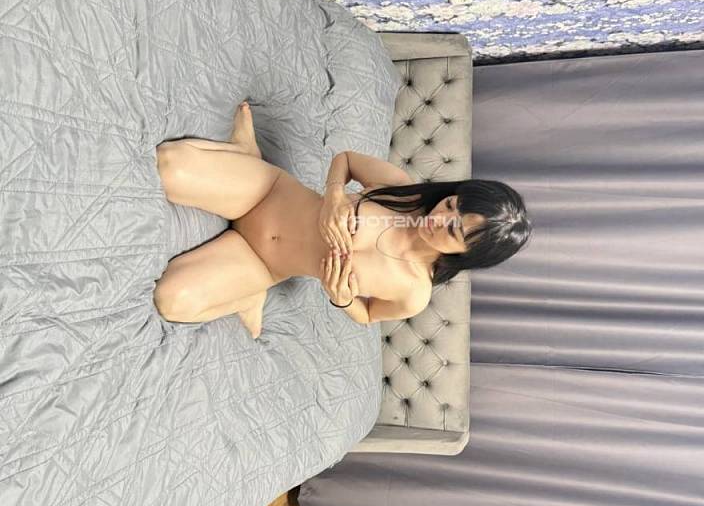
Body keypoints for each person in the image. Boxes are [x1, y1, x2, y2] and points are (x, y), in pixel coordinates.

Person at [153, 102, 533, 339]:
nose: (441, 217)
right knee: (168, 166)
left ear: (466, 254)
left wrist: (343, 299)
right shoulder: (404, 192)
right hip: (267, 193)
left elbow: (366, 314)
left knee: (172, 302)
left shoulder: (413, 293)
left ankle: (248, 295)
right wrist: (335, 196)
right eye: (451, 204)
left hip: (261, 263)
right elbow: (347, 160)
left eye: (453, 229)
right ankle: (244, 153)